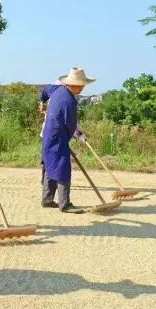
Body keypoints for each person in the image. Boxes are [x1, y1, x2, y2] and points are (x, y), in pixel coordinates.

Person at [39, 67, 95, 213]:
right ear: (73, 84)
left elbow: (45, 90)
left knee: (50, 165)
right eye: (81, 85)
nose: (82, 88)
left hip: (48, 135)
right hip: (57, 138)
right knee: (63, 168)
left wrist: (42, 101)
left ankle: (47, 199)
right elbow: (70, 124)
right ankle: (65, 205)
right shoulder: (69, 101)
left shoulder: (57, 90)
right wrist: (76, 135)